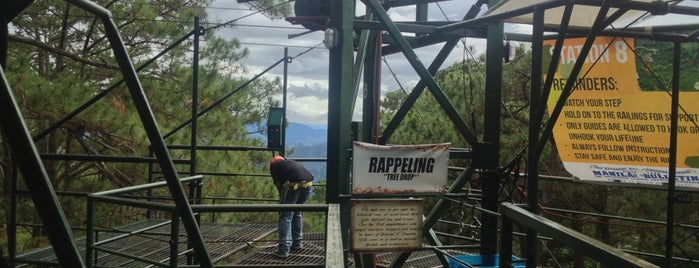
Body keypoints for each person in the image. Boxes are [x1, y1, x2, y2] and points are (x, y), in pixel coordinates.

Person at [269, 155, 313, 258]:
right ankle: (297, 243)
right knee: (297, 212)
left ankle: (283, 250)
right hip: (309, 184)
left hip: (293, 184)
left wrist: (282, 203)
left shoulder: (274, 166)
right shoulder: (289, 162)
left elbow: (278, 184)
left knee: (286, 216)